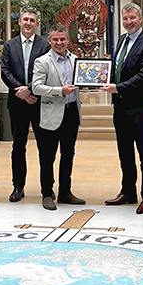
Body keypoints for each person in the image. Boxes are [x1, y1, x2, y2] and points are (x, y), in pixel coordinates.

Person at [100, 3, 143, 214]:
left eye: (132, 18)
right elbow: (117, 68)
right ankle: (128, 191)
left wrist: (118, 87)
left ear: (140, 19)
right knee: (124, 152)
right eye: (125, 19)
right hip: (121, 107)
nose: (128, 22)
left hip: (140, 108)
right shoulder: (122, 40)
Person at [31, 25, 85, 211]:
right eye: (55, 39)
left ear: (67, 40)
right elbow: (36, 88)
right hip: (51, 114)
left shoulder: (75, 59)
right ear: (49, 41)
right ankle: (47, 194)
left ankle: (65, 192)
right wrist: (59, 91)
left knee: (68, 155)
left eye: (62, 39)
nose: (59, 42)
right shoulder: (42, 61)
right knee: (47, 157)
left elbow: (80, 82)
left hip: (71, 113)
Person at [0, 9, 50, 202]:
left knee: (45, 147)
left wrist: (30, 89)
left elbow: (46, 72)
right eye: (25, 20)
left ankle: (47, 189)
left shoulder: (45, 45)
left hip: (39, 102)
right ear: (19, 22)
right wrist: (20, 91)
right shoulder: (9, 46)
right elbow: (5, 71)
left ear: (37, 24)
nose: (28, 23)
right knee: (18, 146)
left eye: (32, 20)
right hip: (17, 103)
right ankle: (18, 187)